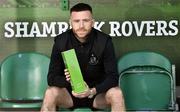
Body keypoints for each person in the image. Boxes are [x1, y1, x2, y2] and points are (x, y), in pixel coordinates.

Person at [41, 3, 125, 111]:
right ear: (70, 22)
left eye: (85, 20)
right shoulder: (61, 41)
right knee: (50, 93)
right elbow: (51, 78)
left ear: (92, 22)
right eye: (76, 21)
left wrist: (92, 91)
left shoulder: (104, 41)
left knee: (117, 93)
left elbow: (113, 77)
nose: (81, 26)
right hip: (70, 95)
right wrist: (68, 81)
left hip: (96, 95)